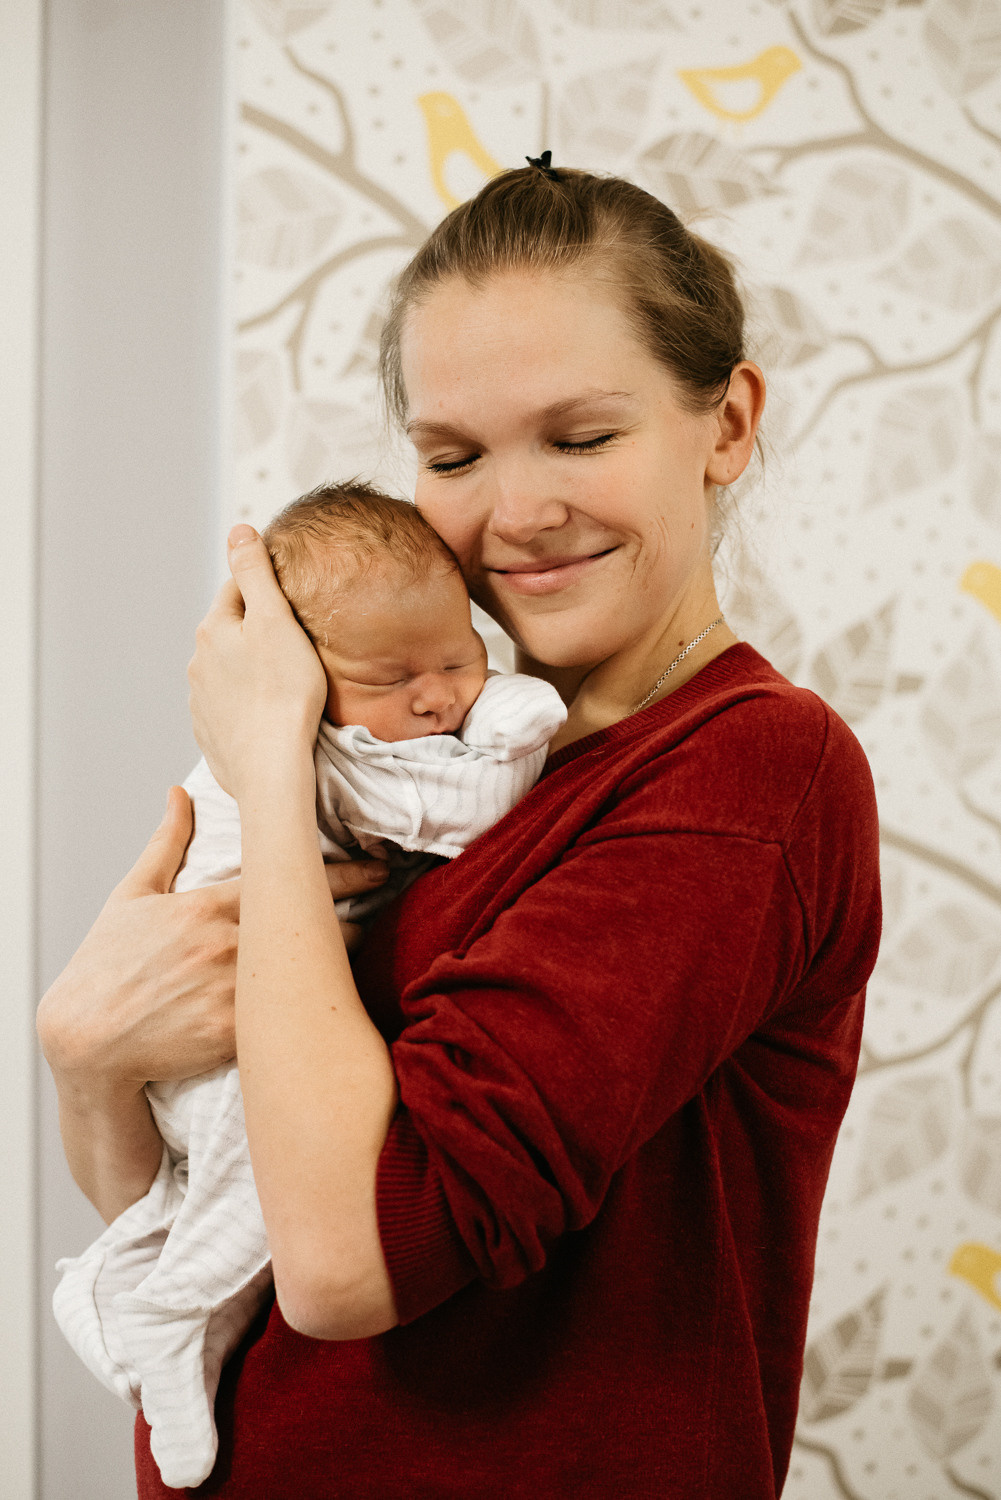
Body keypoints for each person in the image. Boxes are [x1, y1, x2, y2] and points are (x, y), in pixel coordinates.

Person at [37, 162, 881, 1499]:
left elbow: (341, 1264)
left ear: (724, 425)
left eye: (582, 437)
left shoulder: (747, 771)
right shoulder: (427, 761)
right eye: (453, 456)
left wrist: (263, 748)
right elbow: (210, 1205)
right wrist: (86, 1061)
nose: (517, 512)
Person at [50, 480, 566, 1490]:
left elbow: (328, 1263)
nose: (437, 698)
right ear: (298, 683)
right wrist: (513, 705)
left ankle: (155, 1302)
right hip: (207, 1042)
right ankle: (159, 1303)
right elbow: (467, 803)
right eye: (391, 678)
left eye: (461, 659)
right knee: (226, 1191)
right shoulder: (329, 759)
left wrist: (87, 1047)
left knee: (226, 1199)